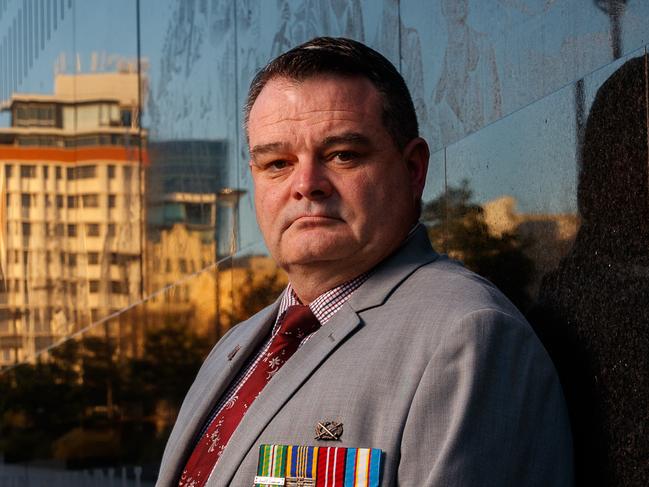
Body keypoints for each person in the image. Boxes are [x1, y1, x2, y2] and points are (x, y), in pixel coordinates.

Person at [156, 37, 573, 487]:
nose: (306, 185)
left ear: (413, 169)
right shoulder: (232, 349)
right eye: (277, 163)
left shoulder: (468, 337)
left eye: (342, 155)